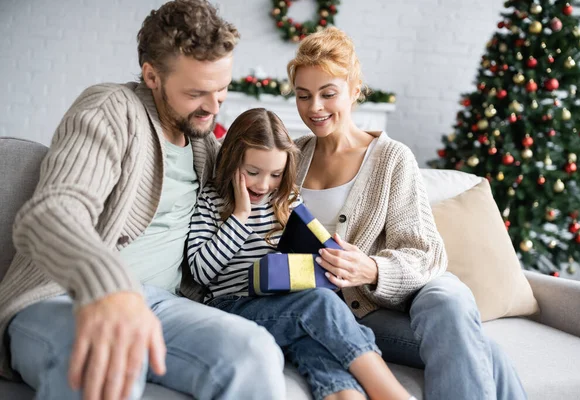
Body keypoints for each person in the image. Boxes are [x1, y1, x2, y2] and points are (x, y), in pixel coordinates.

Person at [0, 1, 286, 399]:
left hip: (161, 305)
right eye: (196, 93)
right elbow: (51, 214)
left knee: (253, 352)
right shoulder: (111, 110)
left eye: (222, 90)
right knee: (106, 359)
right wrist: (110, 289)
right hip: (65, 295)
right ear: (152, 75)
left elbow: (267, 168)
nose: (213, 106)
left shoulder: (204, 143)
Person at [287, 27, 527, 400]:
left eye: (327, 93)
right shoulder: (291, 156)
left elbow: (426, 253)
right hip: (342, 312)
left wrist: (373, 269)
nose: (314, 107)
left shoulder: (390, 158)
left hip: (389, 298)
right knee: (486, 353)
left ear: (354, 90)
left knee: (448, 296)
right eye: (303, 96)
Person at [187, 107, 415, 400]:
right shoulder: (211, 201)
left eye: (275, 174)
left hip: (283, 306)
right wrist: (240, 217)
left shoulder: (287, 199)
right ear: (232, 162)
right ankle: (393, 394)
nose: (263, 184)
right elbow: (201, 273)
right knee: (317, 304)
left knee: (316, 346)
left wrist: (326, 257)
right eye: (252, 172)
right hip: (230, 305)